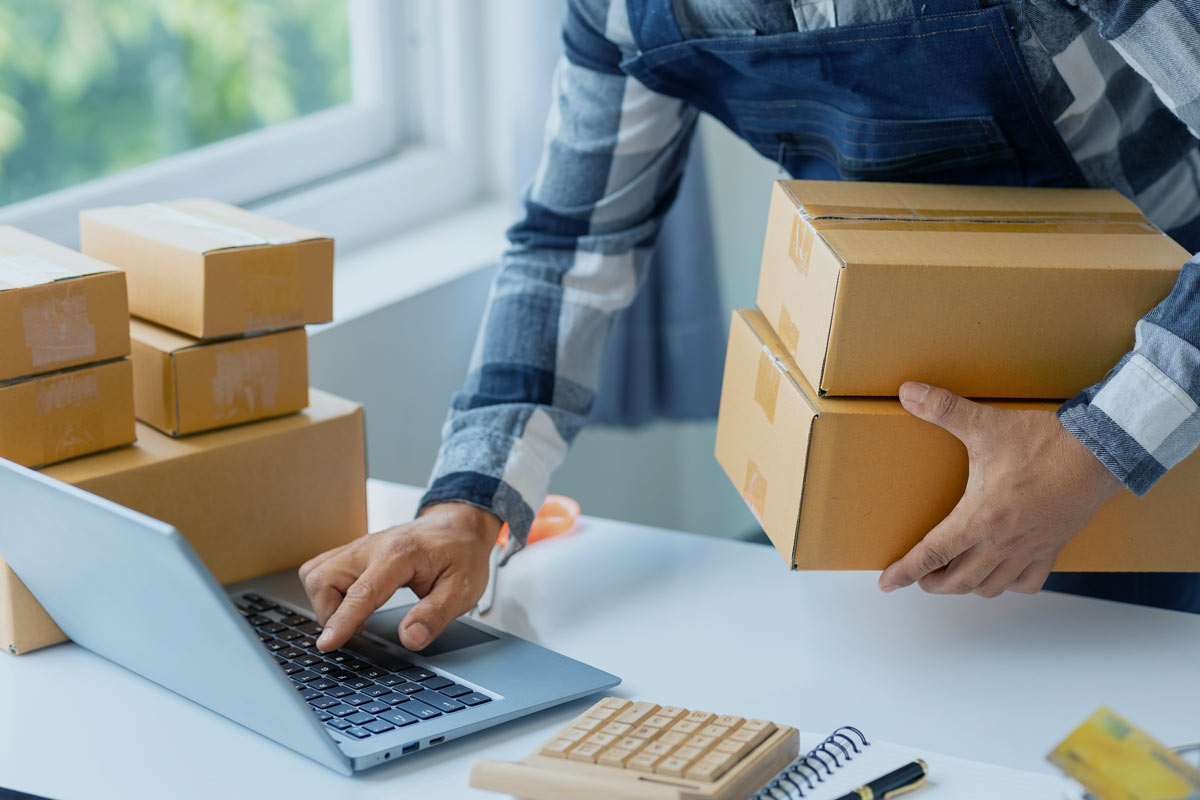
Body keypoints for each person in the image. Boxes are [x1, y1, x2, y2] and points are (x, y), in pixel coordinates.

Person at [301, 0, 1200, 653]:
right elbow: (572, 244)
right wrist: (466, 509)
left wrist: (1094, 450)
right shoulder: (625, 13)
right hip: (931, 463)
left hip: (1170, 408)